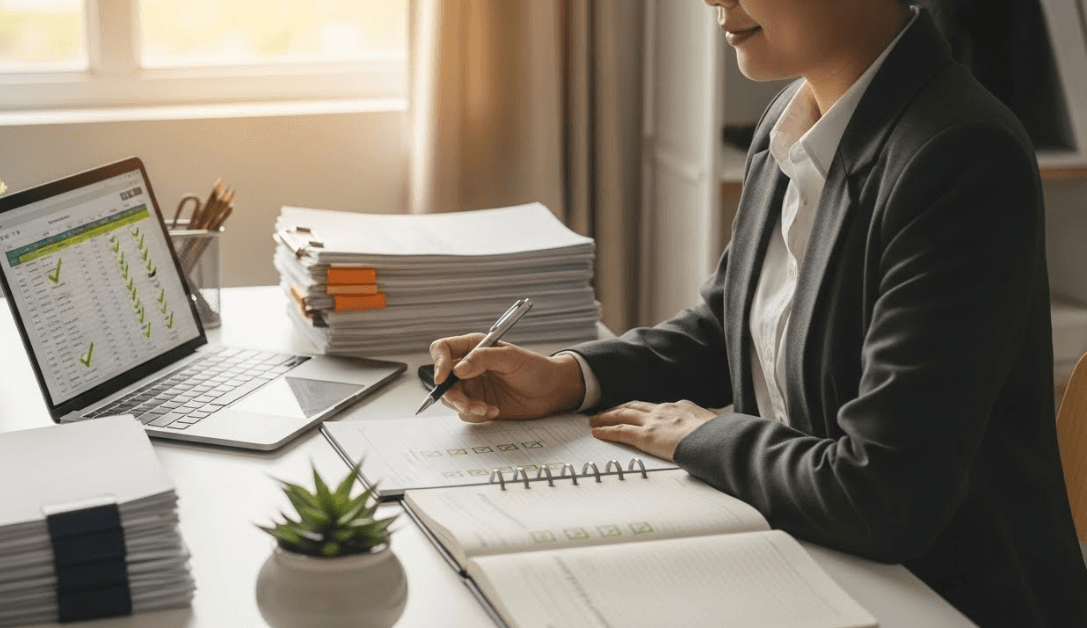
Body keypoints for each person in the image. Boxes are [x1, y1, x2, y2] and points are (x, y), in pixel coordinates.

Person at [427, 1, 1087, 626]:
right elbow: (724, 331)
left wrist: (699, 435)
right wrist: (568, 377)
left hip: (935, 595)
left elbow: (883, 492)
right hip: (804, 550)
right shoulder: (791, 122)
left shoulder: (959, 155)